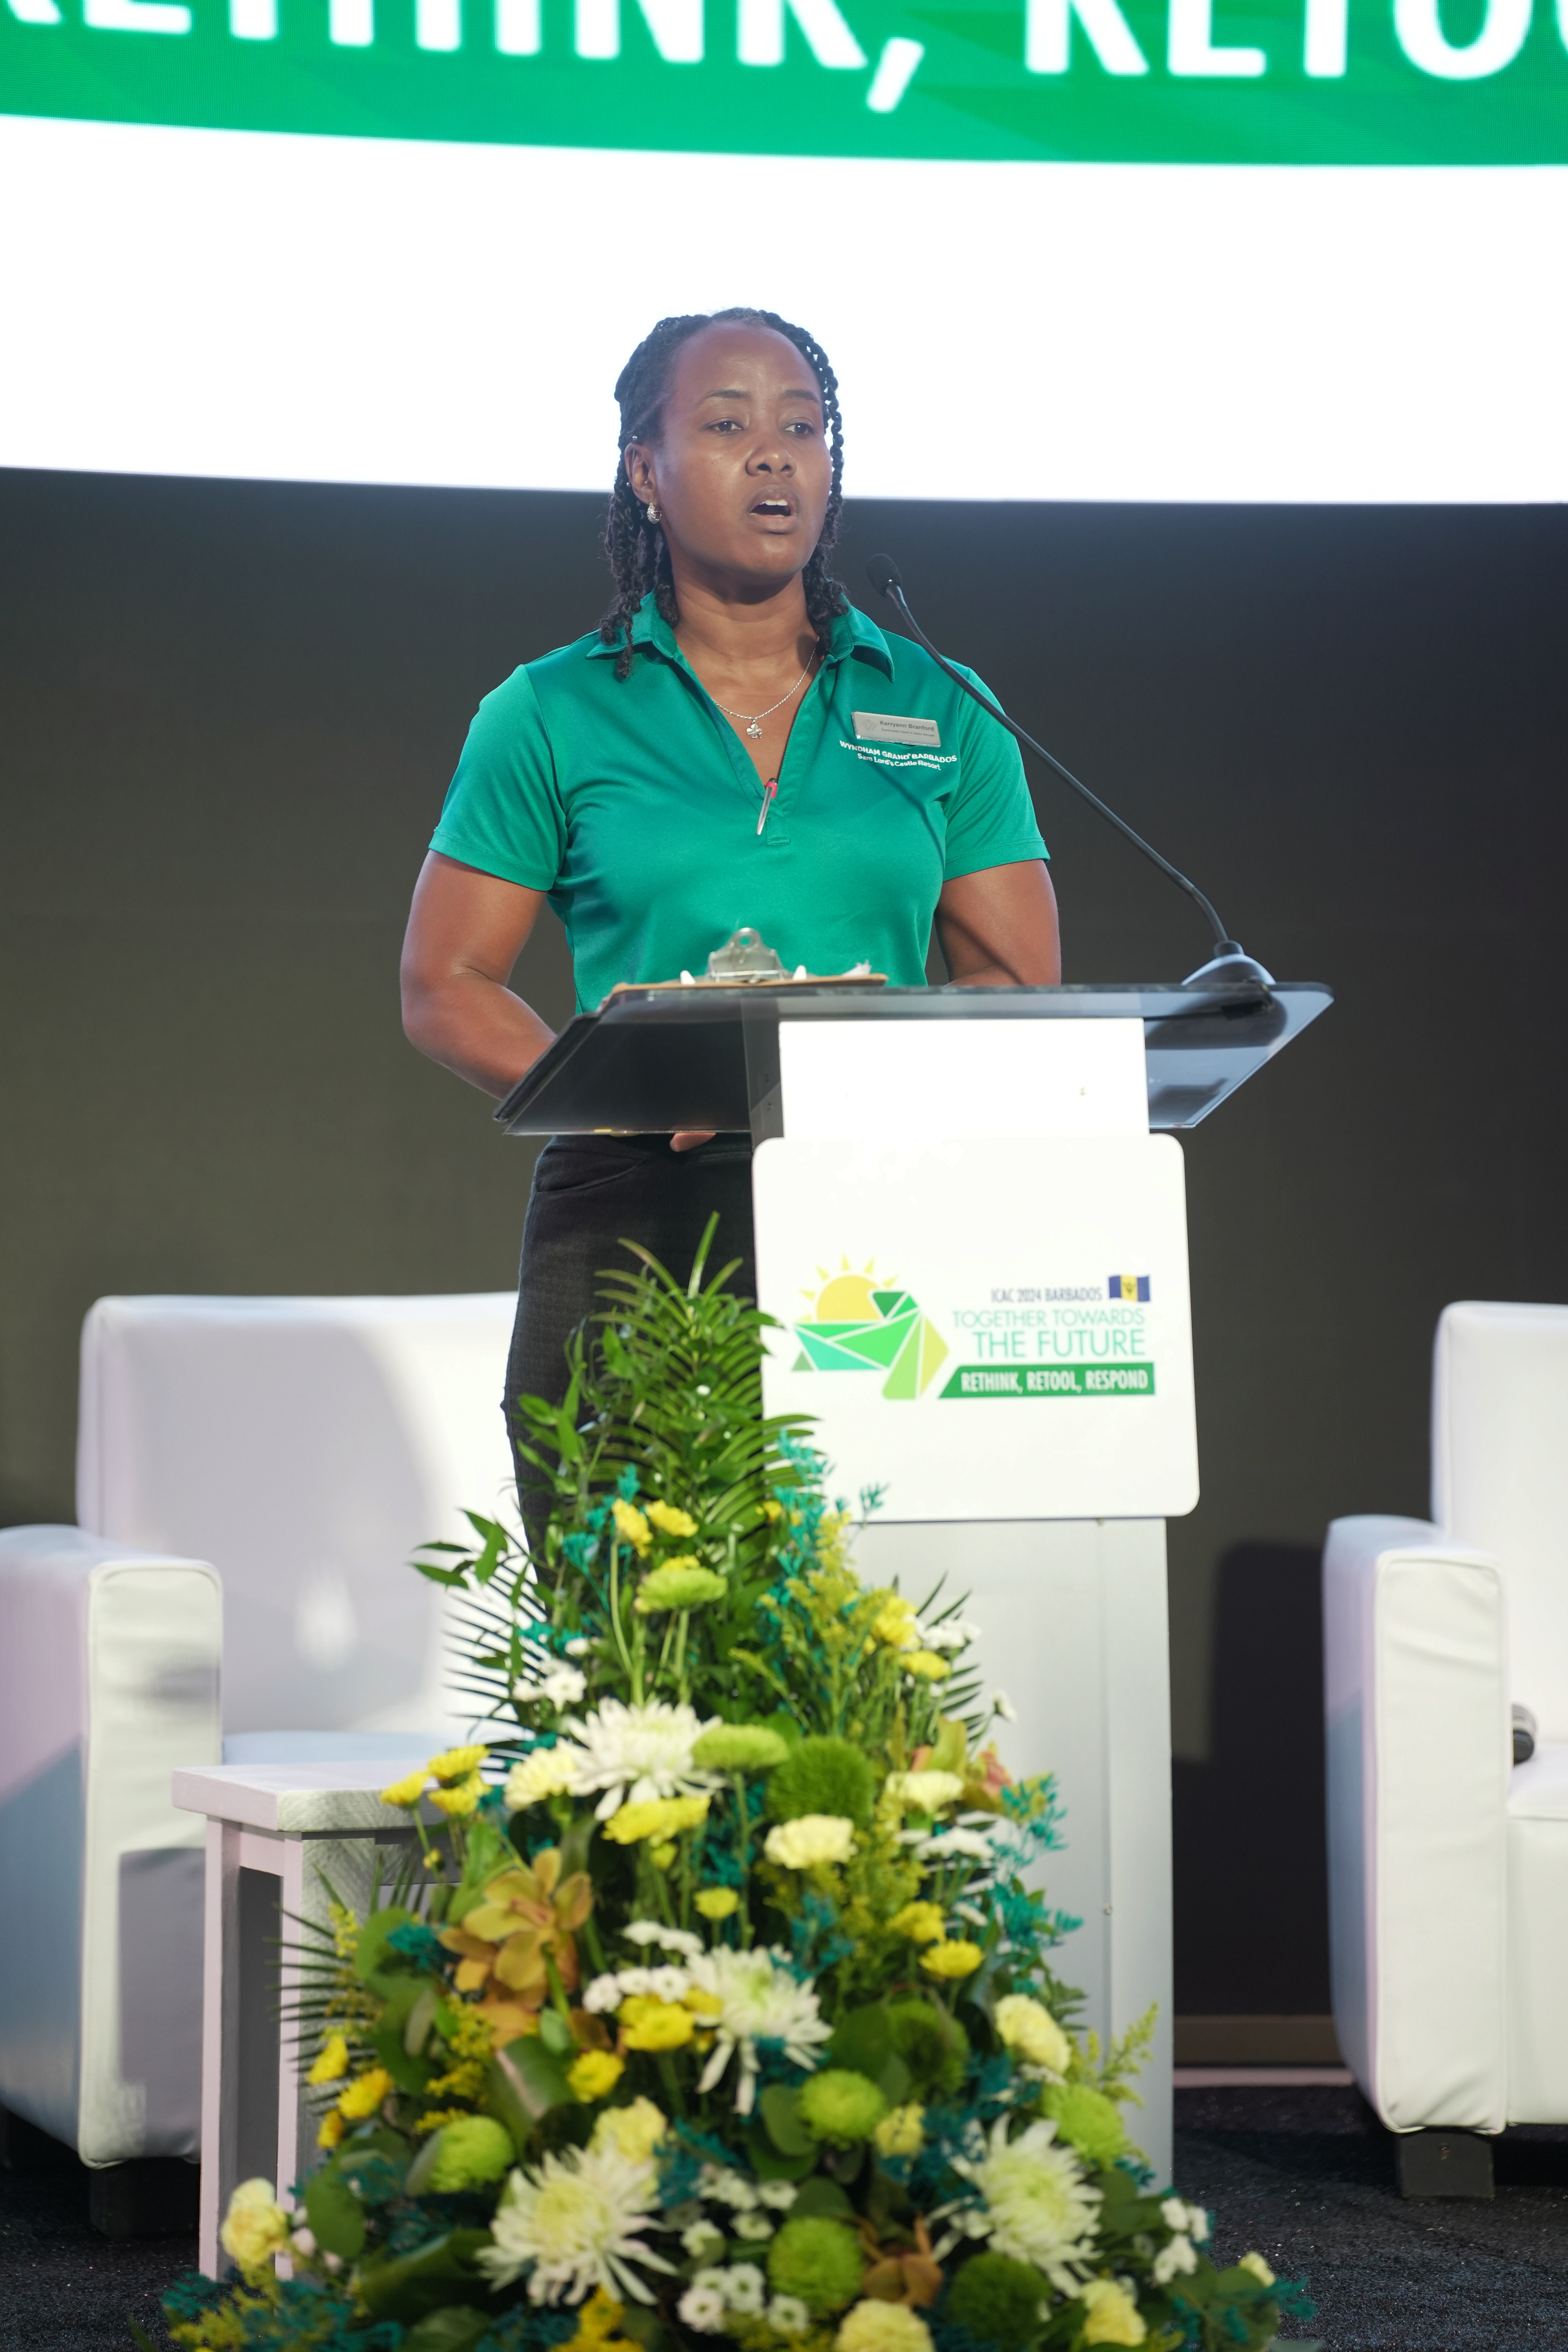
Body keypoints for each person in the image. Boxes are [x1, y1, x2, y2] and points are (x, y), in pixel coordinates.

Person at [400, 306, 1060, 1509]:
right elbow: (445, 985)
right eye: (726, 426)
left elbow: (1018, 981)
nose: (774, 455)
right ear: (644, 473)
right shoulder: (553, 709)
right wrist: (626, 1102)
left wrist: (858, 1086)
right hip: (635, 1212)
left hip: (883, 1206)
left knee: (870, 1587)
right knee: (636, 1608)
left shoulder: (942, 701)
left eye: (802, 428)